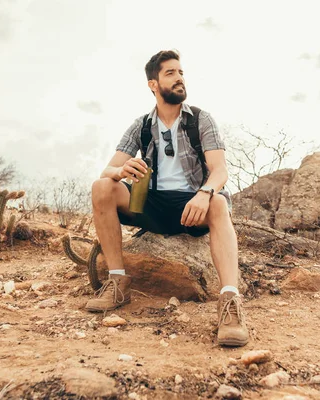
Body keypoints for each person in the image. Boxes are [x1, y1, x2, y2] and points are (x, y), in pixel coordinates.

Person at [86, 50, 248, 347]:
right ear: (153, 84)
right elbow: (107, 169)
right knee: (102, 187)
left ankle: (230, 303)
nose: (179, 78)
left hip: (193, 207)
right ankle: (118, 282)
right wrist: (121, 169)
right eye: (170, 73)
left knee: (220, 201)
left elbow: (220, 170)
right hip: (152, 204)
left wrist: (204, 193)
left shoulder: (201, 119)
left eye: (181, 72)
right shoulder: (142, 125)